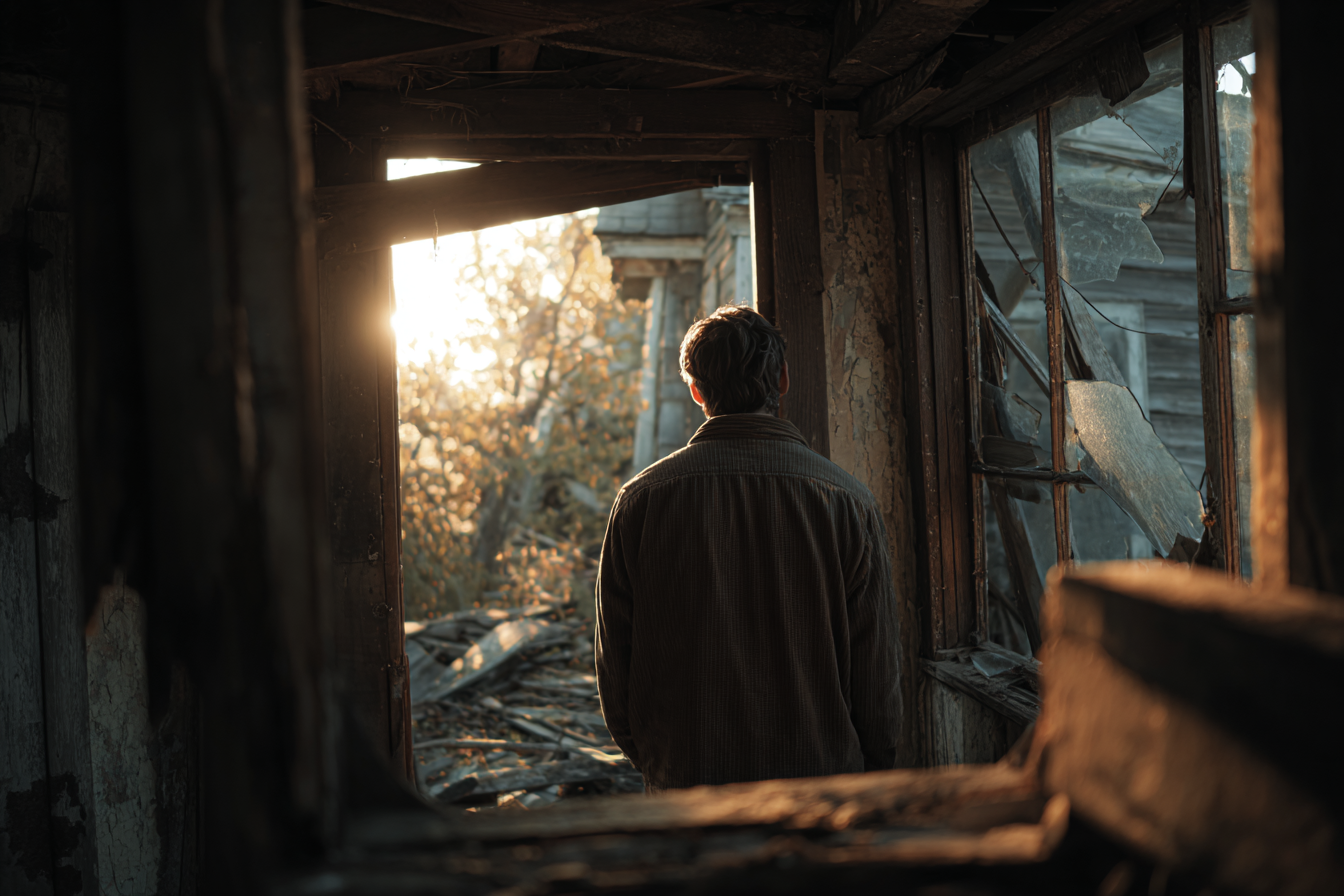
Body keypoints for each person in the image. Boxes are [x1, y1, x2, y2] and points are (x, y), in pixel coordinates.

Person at [595, 304, 902, 792]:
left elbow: (616, 671)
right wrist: (871, 778)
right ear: (782, 379)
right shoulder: (849, 503)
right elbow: (877, 678)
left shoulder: (640, 502)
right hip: (821, 792)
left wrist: (662, 763)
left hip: (687, 788)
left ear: (697, 391)